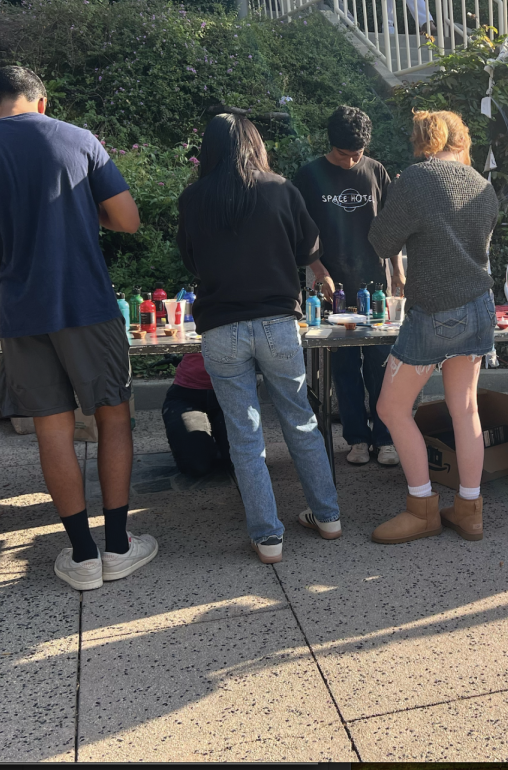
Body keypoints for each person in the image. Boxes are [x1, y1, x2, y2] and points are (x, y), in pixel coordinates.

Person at [0, 66, 157, 591]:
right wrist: (79, 216)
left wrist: (13, 240)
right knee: (114, 419)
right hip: (88, 305)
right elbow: (128, 219)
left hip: (22, 312)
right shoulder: (78, 139)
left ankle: (82, 556)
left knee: (52, 430)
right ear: (41, 102)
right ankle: (120, 547)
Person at [177, 114, 341, 563]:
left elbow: (191, 261)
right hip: (277, 322)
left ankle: (268, 538)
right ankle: (328, 517)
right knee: (301, 420)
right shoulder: (281, 189)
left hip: (222, 327)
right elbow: (308, 251)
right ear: (254, 144)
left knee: (244, 434)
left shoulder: (193, 199)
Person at [368, 111, 499, 543]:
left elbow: (383, 242)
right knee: (465, 409)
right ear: (461, 142)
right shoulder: (483, 185)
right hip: (480, 304)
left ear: (421, 141)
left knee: (391, 408)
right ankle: (470, 510)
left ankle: (422, 507)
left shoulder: (416, 180)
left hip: (435, 310)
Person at [292, 106, 404, 467]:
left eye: (357, 154)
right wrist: (318, 270)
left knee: (380, 361)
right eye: (344, 154)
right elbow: (300, 232)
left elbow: (391, 227)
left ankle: (385, 437)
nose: (350, 160)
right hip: (330, 285)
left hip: (375, 283)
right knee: (343, 366)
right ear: (330, 145)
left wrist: (399, 272)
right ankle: (356, 437)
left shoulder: (376, 171)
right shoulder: (309, 176)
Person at [162, 353, 231, 478]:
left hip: (232, 393)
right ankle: (203, 441)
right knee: (196, 467)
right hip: (186, 394)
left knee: (245, 461)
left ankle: (218, 437)